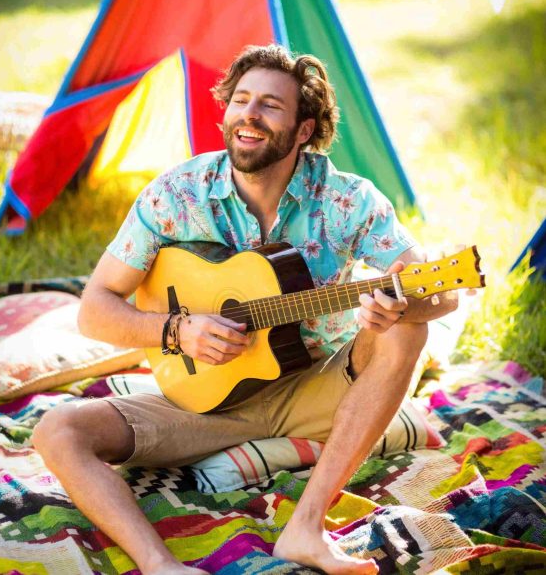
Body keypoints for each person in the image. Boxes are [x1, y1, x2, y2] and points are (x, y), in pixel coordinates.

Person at [33, 44, 458, 575]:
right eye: (240, 100)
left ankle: (305, 529)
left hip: (317, 386)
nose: (249, 115)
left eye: (270, 106)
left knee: (404, 332)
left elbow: (441, 292)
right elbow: (94, 309)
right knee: (57, 431)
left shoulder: (347, 200)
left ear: (304, 130)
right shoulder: (178, 194)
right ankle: (160, 566)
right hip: (202, 400)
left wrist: (404, 307)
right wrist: (178, 331)